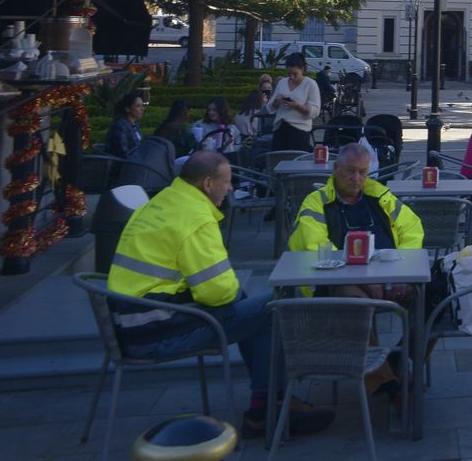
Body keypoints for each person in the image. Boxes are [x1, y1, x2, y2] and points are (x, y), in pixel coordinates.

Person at [110, 151, 334, 438]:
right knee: (274, 306)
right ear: (206, 184)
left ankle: (269, 403)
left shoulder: (163, 202)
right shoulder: (196, 218)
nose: (230, 189)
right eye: (226, 182)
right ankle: (268, 406)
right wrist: (232, 291)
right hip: (157, 332)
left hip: (131, 321)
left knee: (250, 305)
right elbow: (217, 292)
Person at [288, 142, 423, 411]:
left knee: (433, 299)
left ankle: (396, 362)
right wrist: (364, 278)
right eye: (350, 171)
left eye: (362, 172)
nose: (357, 178)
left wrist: (401, 273)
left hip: (391, 278)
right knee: (354, 305)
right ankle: (388, 384)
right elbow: (315, 248)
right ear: (336, 169)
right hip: (342, 283)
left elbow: (413, 228)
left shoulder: (380, 196)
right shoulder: (316, 203)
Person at [264, 53, 320, 153]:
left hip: (300, 131)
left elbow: (315, 111)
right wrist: (277, 102)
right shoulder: (282, 82)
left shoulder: (310, 84)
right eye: (289, 74)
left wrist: (298, 106)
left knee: (295, 161)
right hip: (280, 129)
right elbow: (269, 107)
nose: (292, 77)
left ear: (302, 69)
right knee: (277, 160)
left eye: (295, 74)